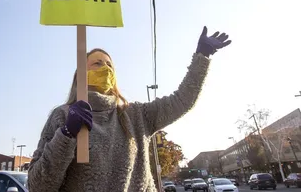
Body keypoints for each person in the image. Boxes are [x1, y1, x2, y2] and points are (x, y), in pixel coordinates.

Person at [28, 26, 231, 192]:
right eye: (97, 63)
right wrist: (66, 135)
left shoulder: (135, 115)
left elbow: (182, 100)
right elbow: (38, 186)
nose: (105, 68)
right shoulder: (62, 115)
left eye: (110, 65)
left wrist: (202, 57)